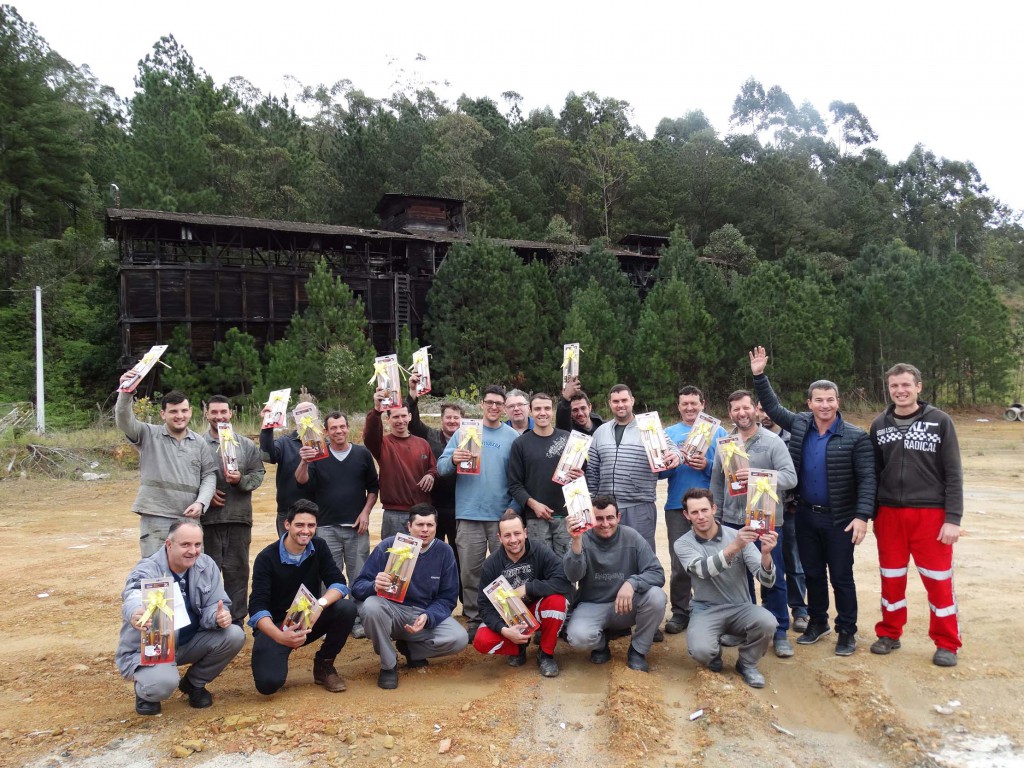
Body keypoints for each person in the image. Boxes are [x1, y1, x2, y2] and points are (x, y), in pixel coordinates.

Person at [751, 347, 876, 656]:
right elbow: (773, 407)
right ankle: (818, 622)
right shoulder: (802, 425)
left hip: (840, 519)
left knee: (842, 577)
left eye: (830, 399)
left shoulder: (855, 436)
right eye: (818, 400)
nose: (824, 405)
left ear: (838, 402)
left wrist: (862, 516)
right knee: (813, 574)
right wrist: (759, 376)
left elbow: (868, 479)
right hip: (805, 515)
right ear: (809, 404)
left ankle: (846, 630)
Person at [869, 363, 963, 667]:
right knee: (891, 579)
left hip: (931, 515)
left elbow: (953, 473)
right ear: (889, 389)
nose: (900, 391)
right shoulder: (879, 424)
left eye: (906, 385)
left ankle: (947, 642)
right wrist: (871, 514)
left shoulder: (940, 421)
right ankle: (890, 633)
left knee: (938, 581)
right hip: (890, 516)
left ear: (918, 387)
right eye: (894, 386)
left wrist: (953, 519)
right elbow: (873, 472)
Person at [117, 521, 245, 715]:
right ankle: (146, 691)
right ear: (169, 544)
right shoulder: (148, 568)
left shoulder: (206, 564)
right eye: (185, 545)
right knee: (163, 684)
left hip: (190, 641)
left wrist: (218, 617)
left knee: (234, 634)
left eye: (197, 545)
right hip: (155, 647)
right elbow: (133, 594)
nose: (193, 551)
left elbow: (215, 603)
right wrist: (136, 612)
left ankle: (194, 683)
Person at [710, 390, 797, 658]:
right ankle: (745, 627)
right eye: (736, 409)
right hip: (733, 522)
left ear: (755, 410)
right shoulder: (726, 443)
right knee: (739, 578)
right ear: (730, 413)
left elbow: (790, 477)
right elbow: (717, 481)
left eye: (746, 408)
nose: (741, 413)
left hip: (767, 522)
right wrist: (717, 517)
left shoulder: (772, 442)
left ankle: (780, 631)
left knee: (772, 576)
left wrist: (761, 477)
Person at [248, 500, 358, 694]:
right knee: (268, 684)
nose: (305, 531)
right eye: (299, 525)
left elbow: (339, 583)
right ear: (287, 524)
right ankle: (278, 652)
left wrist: (320, 605)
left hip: (307, 618)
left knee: (346, 608)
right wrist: (281, 636)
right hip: (276, 626)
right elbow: (257, 609)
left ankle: (324, 664)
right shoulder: (266, 558)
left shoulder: (319, 546)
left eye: (311, 525)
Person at [352, 504, 468, 689]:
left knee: (459, 638)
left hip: (421, 615)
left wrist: (429, 616)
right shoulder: (389, 546)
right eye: (419, 525)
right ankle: (388, 665)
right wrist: (374, 585)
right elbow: (357, 588)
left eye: (430, 525)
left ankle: (411, 650)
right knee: (371, 606)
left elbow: (447, 597)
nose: (424, 530)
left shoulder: (444, 552)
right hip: (390, 612)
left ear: (436, 526)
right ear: (409, 526)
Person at [437, 386, 520, 640]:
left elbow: (519, 477)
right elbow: (441, 468)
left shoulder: (512, 437)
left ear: (504, 407)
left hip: (500, 518)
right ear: (482, 404)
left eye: (499, 403)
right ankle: (474, 618)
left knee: (505, 572)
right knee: (470, 571)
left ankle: (505, 615)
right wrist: (453, 460)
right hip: (469, 514)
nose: (494, 407)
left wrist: (513, 508)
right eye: (489, 402)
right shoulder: (465, 432)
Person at [675, 489, 778, 688]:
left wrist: (766, 555)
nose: (701, 516)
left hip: (740, 607)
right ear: (686, 515)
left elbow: (767, 581)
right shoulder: (683, 544)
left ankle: (747, 664)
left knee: (768, 622)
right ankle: (713, 655)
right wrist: (735, 546)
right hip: (706, 608)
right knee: (701, 651)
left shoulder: (737, 537)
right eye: (694, 512)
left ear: (714, 509)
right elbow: (704, 570)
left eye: (705, 510)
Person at [295, 411, 378, 639]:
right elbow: (301, 480)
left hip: (356, 527)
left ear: (348, 428)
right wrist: (304, 460)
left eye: (342, 426)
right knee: (327, 576)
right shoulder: (318, 455)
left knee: (359, 575)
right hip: (326, 528)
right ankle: (326, 620)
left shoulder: (362, 454)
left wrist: (365, 513)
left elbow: (373, 488)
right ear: (326, 431)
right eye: (334, 428)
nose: (339, 431)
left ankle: (358, 619)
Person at [563, 495, 667, 672]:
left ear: (618, 517)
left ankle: (637, 650)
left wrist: (632, 583)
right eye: (599, 518)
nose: (605, 524)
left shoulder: (632, 537)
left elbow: (657, 573)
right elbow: (573, 576)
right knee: (578, 637)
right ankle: (600, 645)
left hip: (625, 606)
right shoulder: (581, 538)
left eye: (610, 517)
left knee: (657, 597)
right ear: (591, 519)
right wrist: (576, 542)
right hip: (592, 604)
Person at [115, 379, 217, 557]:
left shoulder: (199, 443)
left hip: (189, 518)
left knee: (191, 571)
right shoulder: (148, 434)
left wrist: (201, 502)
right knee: (157, 574)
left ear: (191, 412)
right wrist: (126, 391)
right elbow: (124, 419)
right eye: (173, 411)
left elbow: (209, 475)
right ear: (163, 414)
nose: (180, 415)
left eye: (184, 411)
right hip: (156, 516)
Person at [660, 385, 728, 635]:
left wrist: (707, 465)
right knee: (680, 563)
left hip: (709, 509)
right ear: (678, 406)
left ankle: (713, 610)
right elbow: (660, 473)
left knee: (714, 560)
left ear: (703, 403)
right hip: (677, 507)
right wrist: (671, 463)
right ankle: (681, 611)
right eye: (684, 404)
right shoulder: (668, 434)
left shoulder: (718, 431)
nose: (690, 408)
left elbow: (731, 472)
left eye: (694, 403)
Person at [586, 384, 682, 555]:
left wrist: (676, 457)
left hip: (639, 506)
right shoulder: (600, 432)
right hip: (607, 509)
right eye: (616, 401)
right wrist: (593, 502)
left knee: (641, 555)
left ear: (632, 401)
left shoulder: (648, 428)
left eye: (624, 400)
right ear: (610, 403)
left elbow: (673, 450)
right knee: (608, 555)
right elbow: (592, 471)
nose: (620, 405)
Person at [472, 511, 570, 677]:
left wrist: (528, 588)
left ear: (525, 532)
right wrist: (504, 630)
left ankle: (545, 654)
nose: (513, 540)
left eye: (517, 533)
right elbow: (484, 606)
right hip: (508, 618)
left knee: (557, 603)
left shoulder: (541, 551)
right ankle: (518, 647)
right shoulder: (491, 564)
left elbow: (563, 581)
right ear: (499, 537)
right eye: (507, 535)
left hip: (535, 609)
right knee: (482, 641)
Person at [201, 396, 266, 624]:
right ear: (206, 414)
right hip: (206, 522)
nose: (219, 417)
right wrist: (204, 496)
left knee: (237, 573)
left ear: (231, 414)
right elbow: (187, 477)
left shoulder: (245, 445)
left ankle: (236, 621)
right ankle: (207, 619)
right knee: (205, 575)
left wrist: (241, 480)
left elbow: (258, 474)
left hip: (238, 518)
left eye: (223, 412)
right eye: (214, 412)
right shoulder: (197, 444)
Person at [756, 403, 809, 633]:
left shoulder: (795, 436)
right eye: (761, 410)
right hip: (763, 512)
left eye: (768, 410)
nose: (765, 414)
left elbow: (800, 472)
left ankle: (799, 610)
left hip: (791, 509)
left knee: (794, 561)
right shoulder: (751, 437)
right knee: (767, 561)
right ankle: (769, 605)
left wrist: (796, 503)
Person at [365, 388, 438, 541]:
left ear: (410, 416)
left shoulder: (422, 443)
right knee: (395, 562)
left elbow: (433, 467)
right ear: (388, 420)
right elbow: (370, 435)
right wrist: (377, 411)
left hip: (421, 514)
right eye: (396, 417)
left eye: (404, 416)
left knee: (421, 560)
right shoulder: (382, 444)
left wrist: (431, 475)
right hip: (394, 514)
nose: (400, 420)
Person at [507, 392, 576, 554]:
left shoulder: (567, 439)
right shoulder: (520, 444)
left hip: (566, 517)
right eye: (537, 409)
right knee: (541, 568)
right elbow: (515, 484)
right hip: (535, 518)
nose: (542, 413)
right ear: (530, 411)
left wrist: (579, 475)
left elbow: (579, 476)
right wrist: (533, 504)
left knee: (566, 568)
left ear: (552, 411)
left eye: (547, 408)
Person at [407, 373, 462, 571]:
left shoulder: (470, 442)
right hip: (433, 507)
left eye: (456, 418)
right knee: (431, 555)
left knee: (459, 558)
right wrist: (413, 395)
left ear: (462, 420)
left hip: (459, 508)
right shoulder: (429, 435)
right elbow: (412, 423)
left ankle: (464, 599)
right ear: (442, 419)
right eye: (448, 417)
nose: (452, 421)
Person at [260, 396, 319, 536]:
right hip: (288, 512)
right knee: (288, 555)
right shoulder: (285, 442)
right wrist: (267, 426)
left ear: (316, 416)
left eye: (309, 412)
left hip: (320, 513)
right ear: (295, 418)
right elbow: (267, 456)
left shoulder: (326, 445)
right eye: (301, 413)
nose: (306, 417)